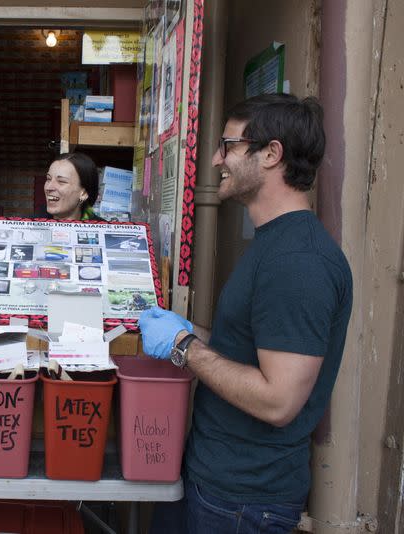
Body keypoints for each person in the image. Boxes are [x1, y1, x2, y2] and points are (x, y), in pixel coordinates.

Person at [139, 94, 352, 534]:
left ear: (271, 154)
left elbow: (278, 401)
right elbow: (249, 349)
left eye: (229, 145)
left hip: (243, 504)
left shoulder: (298, 261)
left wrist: (184, 347)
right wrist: (191, 331)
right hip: (215, 483)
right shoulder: (274, 243)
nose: (218, 158)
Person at [44, 152, 104, 221]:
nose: (48, 187)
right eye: (48, 179)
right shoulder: (30, 228)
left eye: (61, 181)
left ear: (84, 194)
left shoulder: (104, 230)